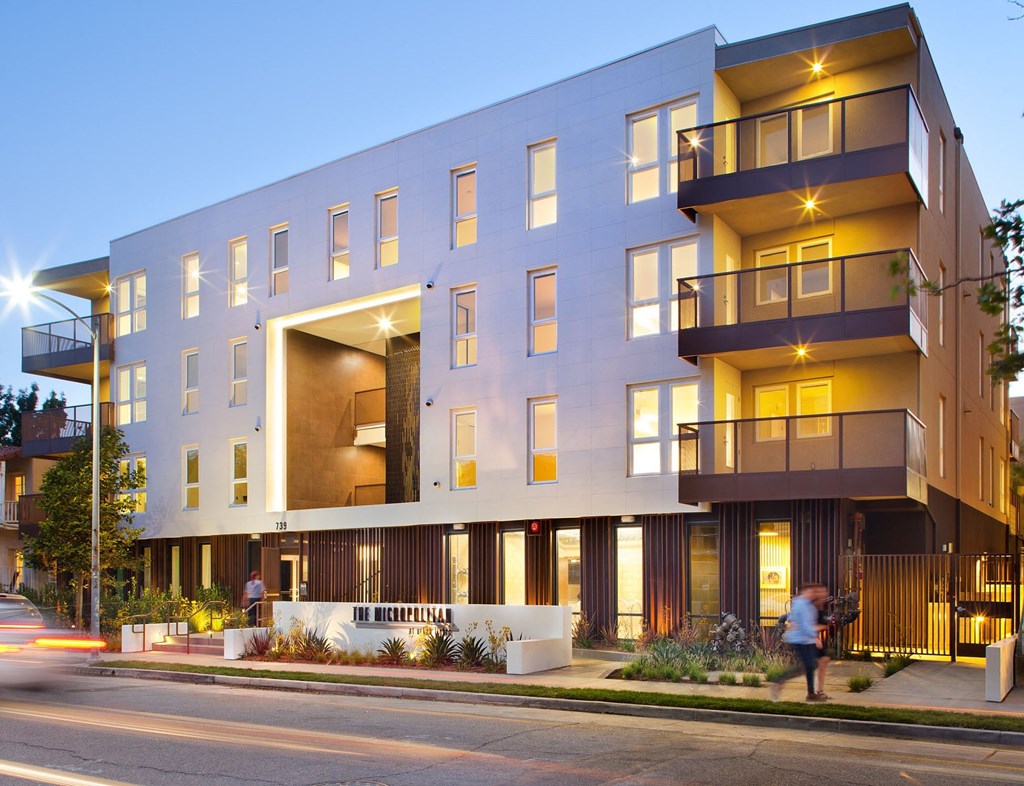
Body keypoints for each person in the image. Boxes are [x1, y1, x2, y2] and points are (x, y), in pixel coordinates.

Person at [770, 582, 827, 702]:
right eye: (811, 592)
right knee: (807, 666)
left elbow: (793, 618)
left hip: (806, 640)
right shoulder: (801, 604)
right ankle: (779, 680)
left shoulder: (808, 605)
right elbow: (805, 625)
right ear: (804, 591)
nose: (812, 594)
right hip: (799, 640)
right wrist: (815, 637)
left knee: (810, 666)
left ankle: (811, 694)